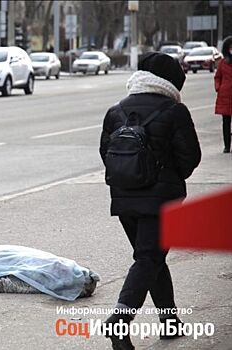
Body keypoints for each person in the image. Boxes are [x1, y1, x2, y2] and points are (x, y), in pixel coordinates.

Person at [99, 52, 201, 349]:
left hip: (124, 201)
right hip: (162, 201)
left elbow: (106, 155)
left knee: (152, 258)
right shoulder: (175, 111)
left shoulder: (115, 111)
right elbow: (190, 158)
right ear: (169, 82)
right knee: (149, 258)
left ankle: (170, 322)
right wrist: (167, 175)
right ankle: (119, 321)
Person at [215, 36, 232, 153]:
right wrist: (218, 88)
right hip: (225, 96)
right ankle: (227, 146)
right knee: (226, 123)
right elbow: (217, 77)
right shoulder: (222, 63)